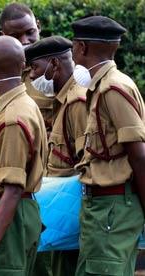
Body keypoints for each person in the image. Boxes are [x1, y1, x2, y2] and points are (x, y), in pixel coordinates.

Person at [71, 15, 145, 276]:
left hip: (112, 207)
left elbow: (139, 155)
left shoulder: (113, 88)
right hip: (104, 209)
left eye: (74, 44)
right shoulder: (102, 86)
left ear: (83, 48)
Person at [0, 35, 48, 276]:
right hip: (8, 213)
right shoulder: (18, 105)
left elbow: (12, 188)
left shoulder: (13, 117)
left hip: (5, 217)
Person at [25, 36, 87, 276]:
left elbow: (88, 166)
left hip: (75, 215)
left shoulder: (77, 101)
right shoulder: (62, 99)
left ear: (54, 64)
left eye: (35, 69)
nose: (31, 76)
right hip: (61, 213)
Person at [0, 3, 54, 133]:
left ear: (38, 27)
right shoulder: (1, 73)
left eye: (30, 32)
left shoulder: (55, 68)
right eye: (15, 36)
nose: (25, 41)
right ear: (3, 36)